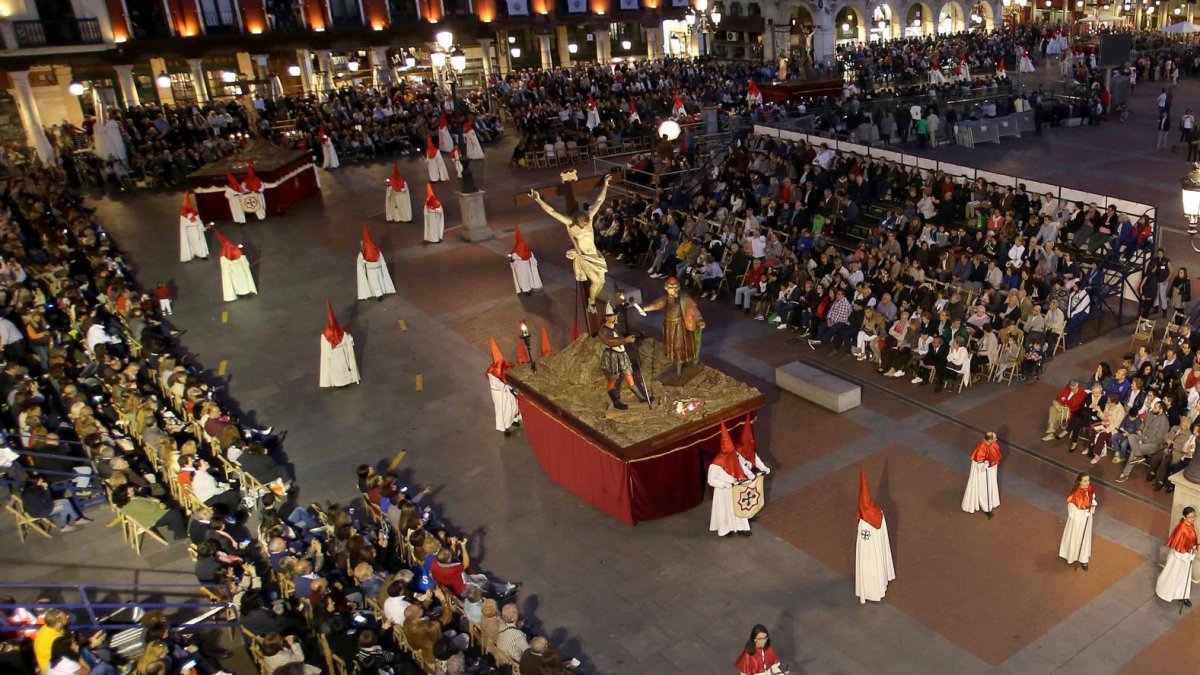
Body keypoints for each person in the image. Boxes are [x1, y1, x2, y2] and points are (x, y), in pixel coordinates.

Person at [528, 174, 613, 311]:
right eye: (582, 224)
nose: (585, 225)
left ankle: (592, 300)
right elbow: (551, 211)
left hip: (595, 255)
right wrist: (538, 200)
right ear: (577, 222)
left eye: (586, 223)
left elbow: (599, 200)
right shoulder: (570, 224)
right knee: (597, 282)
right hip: (584, 257)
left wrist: (606, 185)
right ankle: (591, 302)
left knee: (602, 282)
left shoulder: (589, 217)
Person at [708, 422, 768, 537]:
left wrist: (751, 475)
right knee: (725, 510)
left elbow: (742, 468)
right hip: (723, 491)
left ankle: (741, 528)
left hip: (735, 487)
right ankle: (726, 529)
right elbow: (711, 480)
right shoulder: (715, 465)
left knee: (738, 506)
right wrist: (725, 485)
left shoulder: (735, 457)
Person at [637, 276, 705, 376]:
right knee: (672, 347)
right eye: (668, 288)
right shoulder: (666, 298)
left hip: (679, 327)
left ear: (676, 288)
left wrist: (699, 320)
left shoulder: (684, 299)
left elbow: (693, 309)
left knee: (679, 347)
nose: (669, 290)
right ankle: (676, 365)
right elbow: (657, 304)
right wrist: (645, 309)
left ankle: (679, 372)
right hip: (668, 326)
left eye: (671, 288)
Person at [598, 305, 651, 410]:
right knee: (613, 379)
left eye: (616, 316)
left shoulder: (614, 329)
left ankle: (641, 397)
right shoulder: (603, 331)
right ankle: (616, 402)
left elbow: (620, 339)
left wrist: (630, 339)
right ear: (607, 317)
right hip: (612, 357)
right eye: (613, 316)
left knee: (629, 375)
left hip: (622, 356)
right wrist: (626, 340)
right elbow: (610, 342)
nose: (616, 318)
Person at [856, 470, 895, 603]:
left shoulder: (864, 524)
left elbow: (864, 543)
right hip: (876, 548)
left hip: (869, 553)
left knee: (869, 569)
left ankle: (871, 591)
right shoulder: (879, 513)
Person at [1155, 507, 1197, 607]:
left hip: (1187, 556)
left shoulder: (1191, 525)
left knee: (1184, 577)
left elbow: (1192, 538)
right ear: (1184, 517)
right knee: (1172, 576)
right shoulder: (1181, 529)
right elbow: (1177, 550)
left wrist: (1193, 546)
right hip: (1178, 558)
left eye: (1194, 516)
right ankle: (1164, 592)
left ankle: (1182, 595)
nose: (1192, 519)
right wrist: (1187, 556)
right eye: (1190, 517)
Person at [1059, 472, 1096, 570]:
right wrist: (1083, 514)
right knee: (1075, 538)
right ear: (1080, 482)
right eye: (1085, 481)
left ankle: (1083, 559)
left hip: (1087, 519)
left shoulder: (1090, 490)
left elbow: (1091, 501)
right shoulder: (1075, 493)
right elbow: (1071, 511)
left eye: (1088, 480)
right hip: (1077, 522)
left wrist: (1092, 506)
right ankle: (1072, 556)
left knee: (1085, 538)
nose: (1087, 483)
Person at [319, 302, 360, 388]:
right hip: (342, 354)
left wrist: (328, 356)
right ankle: (346, 381)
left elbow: (325, 350)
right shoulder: (341, 333)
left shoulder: (325, 335)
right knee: (343, 368)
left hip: (333, 356)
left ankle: (338, 383)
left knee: (337, 371)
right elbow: (347, 340)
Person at [962, 431, 1002, 518]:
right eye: (994, 438)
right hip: (983, 473)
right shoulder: (981, 447)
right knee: (985, 489)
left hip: (991, 470)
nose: (996, 439)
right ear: (990, 440)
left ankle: (992, 501)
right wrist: (984, 465)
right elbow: (979, 464)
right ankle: (986, 508)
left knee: (991, 486)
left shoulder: (992, 444)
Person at [485, 336, 521, 435]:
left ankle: (514, 419)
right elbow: (496, 382)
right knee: (503, 409)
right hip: (500, 394)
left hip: (508, 390)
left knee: (513, 404)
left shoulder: (504, 365)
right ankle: (504, 427)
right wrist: (505, 386)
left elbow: (509, 371)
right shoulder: (491, 372)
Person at [213, 228, 257, 302]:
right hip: (233, 270)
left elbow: (239, 255)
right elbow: (228, 261)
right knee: (237, 281)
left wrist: (240, 250)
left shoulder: (227, 251)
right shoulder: (224, 253)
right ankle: (241, 293)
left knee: (242, 280)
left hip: (238, 268)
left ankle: (246, 291)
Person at [355, 224, 396, 301]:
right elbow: (381, 259)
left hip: (371, 270)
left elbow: (361, 260)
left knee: (372, 283)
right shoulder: (376, 249)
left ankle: (372, 294)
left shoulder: (365, 250)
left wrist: (363, 261)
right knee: (378, 282)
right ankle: (379, 294)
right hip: (377, 269)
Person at [510, 226, 543, 296]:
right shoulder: (526, 249)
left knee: (523, 278)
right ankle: (528, 289)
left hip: (520, 267)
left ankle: (526, 289)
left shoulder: (515, 251)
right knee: (527, 278)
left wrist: (512, 261)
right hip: (525, 266)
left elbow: (513, 261)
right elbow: (531, 257)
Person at [178, 193, 209, 262]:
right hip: (190, 231)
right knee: (193, 242)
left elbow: (198, 221)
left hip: (197, 229)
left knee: (199, 242)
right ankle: (195, 253)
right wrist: (193, 220)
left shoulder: (194, 213)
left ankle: (202, 254)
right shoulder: (183, 215)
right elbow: (187, 223)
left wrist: (204, 228)